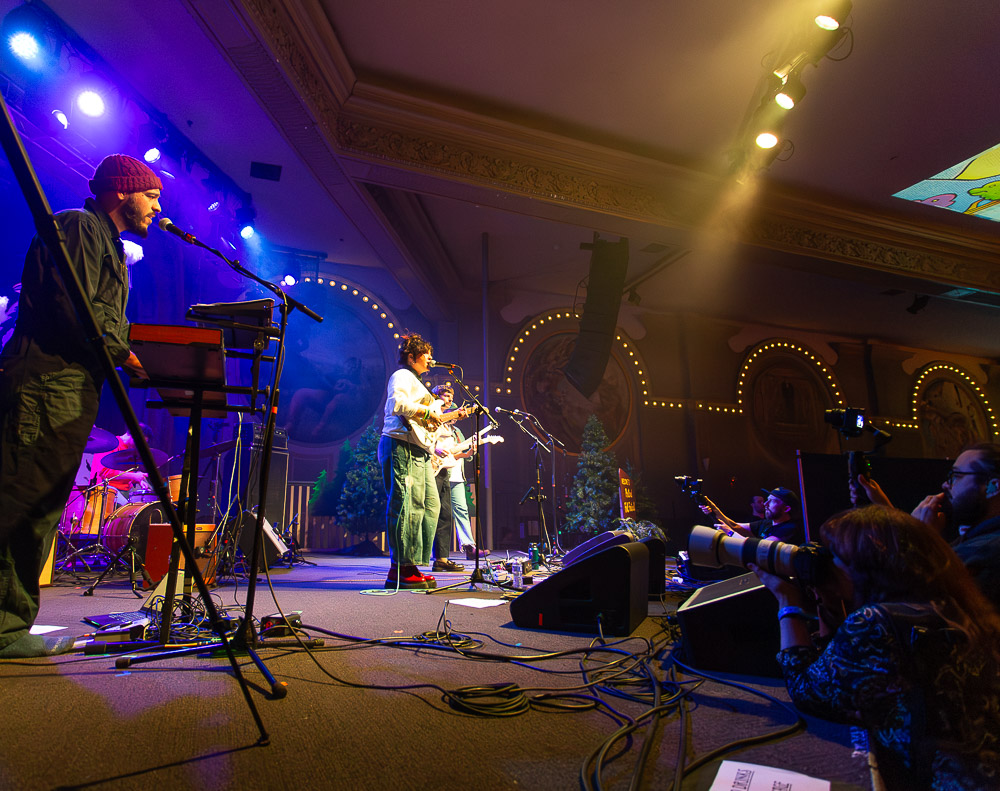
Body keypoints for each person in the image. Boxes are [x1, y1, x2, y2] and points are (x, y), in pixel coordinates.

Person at [0, 154, 160, 658]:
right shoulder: (77, 226)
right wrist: (128, 355)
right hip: (44, 387)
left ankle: (10, 625)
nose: (157, 208)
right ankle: (3, 629)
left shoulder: (109, 244)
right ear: (121, 191)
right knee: (21, 505)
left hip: (70, 390)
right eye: (151, 196)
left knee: (43, 507)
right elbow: (77, 309)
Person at [751, 505, 1000, 790]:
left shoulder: (877, 622)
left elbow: (806, 690)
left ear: (867, 566)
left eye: (835, 556)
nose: (826, 564)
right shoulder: (956, 607)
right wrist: (829, 602)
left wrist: (787, 601)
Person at [377, 334, 467, 590]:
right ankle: (401, 568)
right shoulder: (402, 376)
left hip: (418, 449)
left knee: (430, 505)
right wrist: (429, 411)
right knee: (406, 505)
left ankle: (413, 563)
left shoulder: (417, 382)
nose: (430, 358)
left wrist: (437, 424)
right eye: (425, 354)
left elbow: (423, 422)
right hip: (400, 445)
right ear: (411, 357)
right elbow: (397, 404)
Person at [908, 442, 1000, 611]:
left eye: (956, 476)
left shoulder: (985, 551)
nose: (946, 484)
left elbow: (931, 605)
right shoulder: (976, 539)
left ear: (993, 486)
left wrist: (922, 538)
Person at [430, 384, 485, 570]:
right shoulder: (434, 419)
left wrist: (469, 452)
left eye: (451, 396)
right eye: (445, 396)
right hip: (437, 471)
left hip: (455, 474)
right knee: (437, 513)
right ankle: (435, 553)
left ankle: (469, 546)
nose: (449, 400)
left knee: (460, 511)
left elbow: (456, 454)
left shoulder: (458, 433)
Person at [702, 486, 806, 545]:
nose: (765, 504)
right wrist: (714, 509)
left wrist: (729, 532)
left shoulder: (790, 528)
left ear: (786, 508)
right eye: (767, 499)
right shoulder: (767, 523)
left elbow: (759, 547)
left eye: (772, 501)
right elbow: (734, 526)